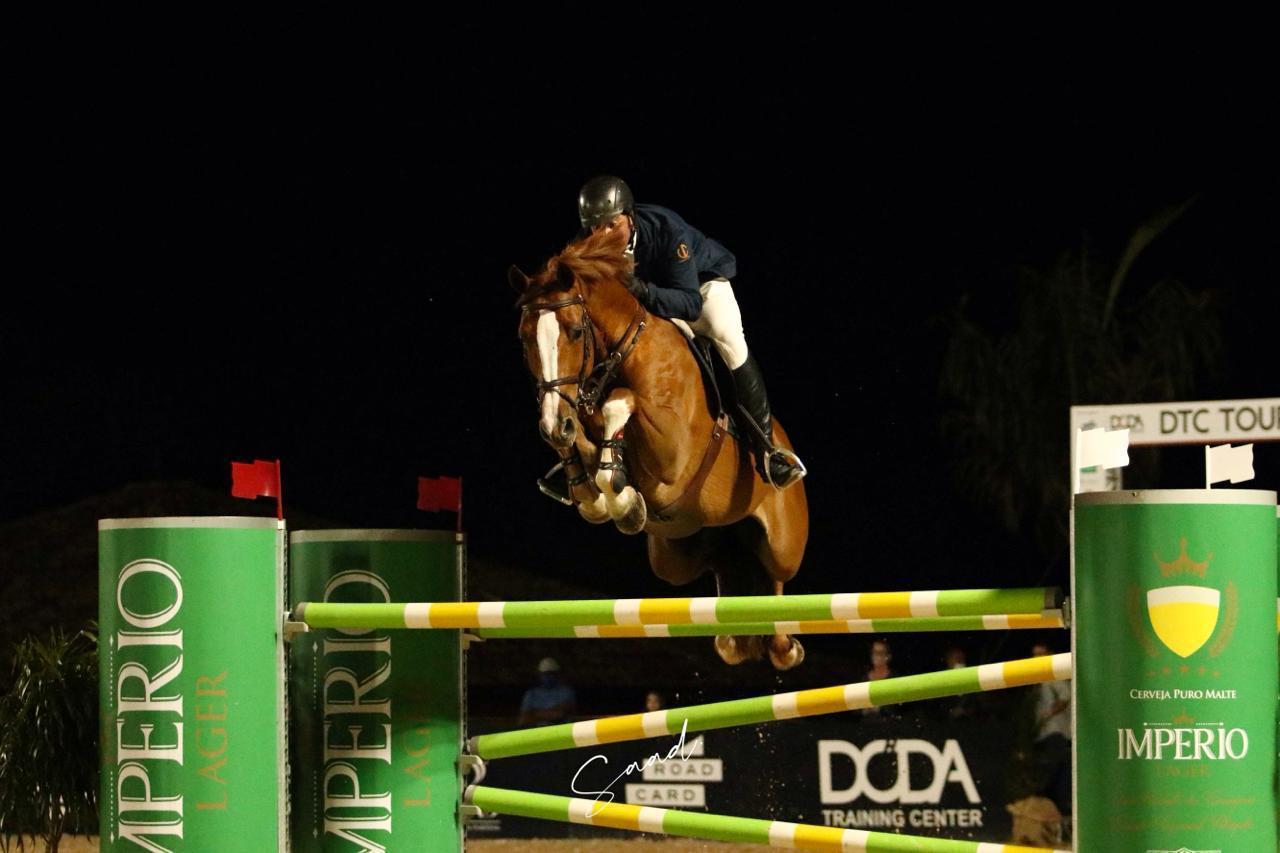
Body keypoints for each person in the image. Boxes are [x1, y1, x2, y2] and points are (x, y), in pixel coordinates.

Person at [575, 175, 806, 490]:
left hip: (701, 286)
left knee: (729, 339)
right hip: (653, 299)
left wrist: (641, 290)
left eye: (611, 225)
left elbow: (690, 304)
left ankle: (768, 450)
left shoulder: (667, 229)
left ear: (629, 217)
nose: (602, 235)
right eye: (595, 228)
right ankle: (582, 458)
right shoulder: (590, 243)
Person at [518, 657, 577, 727]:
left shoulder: (566, 692)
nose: (548, 677)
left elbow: (560, 714)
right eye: (545, 674)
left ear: (557, 674)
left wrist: (536, 713)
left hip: (560, 730)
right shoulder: (531, 694)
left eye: (551, 674)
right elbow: (524, 720)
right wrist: (551, 712)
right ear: (539, 675)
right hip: (538, 731)